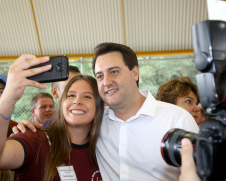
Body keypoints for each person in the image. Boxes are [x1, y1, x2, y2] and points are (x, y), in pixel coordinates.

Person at [13, 43, 200, 181]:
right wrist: (26, 125)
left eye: (114, 72)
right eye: (100, 76)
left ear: (135, 73)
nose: (106, 82)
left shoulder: (177, 119)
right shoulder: (98, 122)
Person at [0, 54, 104, 181]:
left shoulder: (104, 147)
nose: (77, 101)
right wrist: (8, 99)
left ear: (98, 105)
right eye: (70, 95)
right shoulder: (35, 139)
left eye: (87, 96)